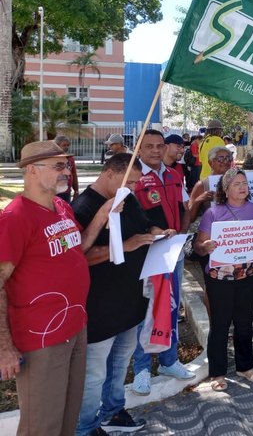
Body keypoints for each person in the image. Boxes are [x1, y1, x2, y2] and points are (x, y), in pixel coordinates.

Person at [0, 141, 113, 436]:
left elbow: (79, 248)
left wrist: (102, 215)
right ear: (33, 171)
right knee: (42, 425)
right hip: (41, 339)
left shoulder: (62, 206)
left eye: (68, 165)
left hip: (74, 328)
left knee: (66, 418)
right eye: (59, 166)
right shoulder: (15, 218)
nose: (68, 172)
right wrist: (4, 347)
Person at [73, 154, 174, 435]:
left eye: (135, 182)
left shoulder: (127, 198)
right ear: (109, 173)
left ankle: (113, 411)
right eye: (129, 181)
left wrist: (159, 232)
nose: (132, 187)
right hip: (99, 309)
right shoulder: (82, 207)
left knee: (119, 366)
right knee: (94, 376)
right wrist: (125, 247)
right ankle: (86, 427)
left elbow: (143, 225)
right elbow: (78, 256)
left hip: (129, 303)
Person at [193, 168, 253, 391]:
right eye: (236, 183)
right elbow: (198, 247)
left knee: (245, 323)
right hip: (220, 277)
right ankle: (217, 373)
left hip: (249, 275)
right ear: (225, 189)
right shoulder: (213, 213)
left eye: (244, 182)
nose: (242, 186)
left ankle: (244, 367)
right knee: (220, 324)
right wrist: (205, 247)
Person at [131, 130, 195, 396]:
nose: (155, 151)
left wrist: (182, 232)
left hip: (173, 252)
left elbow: (184, 207)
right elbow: (130, 218)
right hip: (146, 253)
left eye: (160, 146)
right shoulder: (132, 177)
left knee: (170, 306)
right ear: (138, 149)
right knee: (145, 311)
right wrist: (153, 231)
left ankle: (169, 361)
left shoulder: (174, 175)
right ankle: (142, 368)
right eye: (149, 147)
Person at [188, 146, 234, 224]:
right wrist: (199, 200)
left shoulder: (238, 181)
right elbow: (190, 218)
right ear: (211, 162)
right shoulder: (202, 185)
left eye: (228, 158)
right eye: (221, 158)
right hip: (212, 230)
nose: (226, 161)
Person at [53, 135, 79, 203]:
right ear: (57, 146)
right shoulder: (51, 159)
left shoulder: (70, 159)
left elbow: (74, 174)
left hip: (66, 192)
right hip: (54, 192)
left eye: (68, 145)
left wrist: (76, 190)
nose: (66, 147)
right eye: (64, 145)